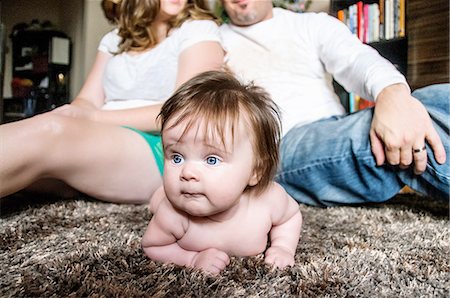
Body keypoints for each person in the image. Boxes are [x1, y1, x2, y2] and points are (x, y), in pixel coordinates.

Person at [219, 0, 449, 206]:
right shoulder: (213, 41)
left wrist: (393, 93)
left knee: (428, 102)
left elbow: (355, 58)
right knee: (385, 137)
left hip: (337, 124)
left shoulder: (310, 24)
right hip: (282, 142)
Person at [0, 0, 225, 203]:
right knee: (32, 146)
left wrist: (93, 118)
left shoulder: (198, 29)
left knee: (50, 132)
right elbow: (87, 100)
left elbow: (186, 111)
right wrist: (71, 113)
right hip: (103, 135)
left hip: (161, 144)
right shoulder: (115, 39)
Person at [141, 71, 303, 275]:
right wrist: (192, 258)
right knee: (158, 199)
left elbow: (290, 216)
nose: (187, 172)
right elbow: (153, 246)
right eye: (177, 157)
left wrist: (283, 247)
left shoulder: (269, 200)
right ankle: (157, 197)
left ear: (256, 171)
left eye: (211, 159)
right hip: (165, 202)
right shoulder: (173, 215)